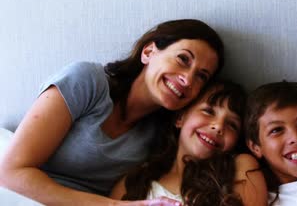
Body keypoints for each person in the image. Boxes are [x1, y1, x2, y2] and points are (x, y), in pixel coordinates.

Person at [0, 19, 224, 206]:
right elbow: (10, 172)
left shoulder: (160, 136)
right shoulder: (87, 81)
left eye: (201, 76)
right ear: (148, 51)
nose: (187, 79)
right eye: (183, 59)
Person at [110, 80, 248, 206]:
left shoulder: (240, 170)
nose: (218, 126)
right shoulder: (135, 182)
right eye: (208, 111)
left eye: (232, 125)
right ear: (180, 118)